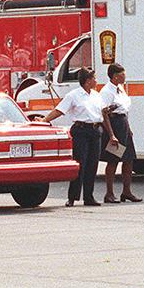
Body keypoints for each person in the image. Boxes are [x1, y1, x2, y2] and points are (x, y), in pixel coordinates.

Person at [44, 67, 104, 207]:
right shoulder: (74, 95)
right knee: (80, 164)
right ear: (88, 81)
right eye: (94, 78)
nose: (96, 81)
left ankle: (89, 196)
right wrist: (45, 120)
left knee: (92, 165)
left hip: (95, 130)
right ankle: (72, 197)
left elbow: (103, 112)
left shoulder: (96, 95)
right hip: (81, 130)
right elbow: (59, 110)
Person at [99, 63, 141, 203]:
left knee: (128, 159)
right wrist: (111, 134)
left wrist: (128, 129)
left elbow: (124, 109)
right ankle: (109, 193)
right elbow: (104, 114)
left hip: (123, 124)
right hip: (114, 124)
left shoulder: (120, 89)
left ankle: (126, 191)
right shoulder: (107, 91)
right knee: (113, 160)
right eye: (122, 74)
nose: (125, 76)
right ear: (115, 76)